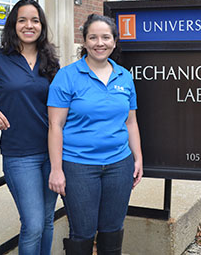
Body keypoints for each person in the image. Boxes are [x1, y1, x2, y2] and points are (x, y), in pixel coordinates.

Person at [0, 0, 60, 254]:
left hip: (53, 153)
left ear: (42, 26)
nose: (29, 25)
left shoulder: (50, 60)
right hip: (20, 155)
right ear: (13, 25)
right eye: (22, 20)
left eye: (35, 20)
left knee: (48, 220)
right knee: (33, 224)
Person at [47, 13, 143, 255]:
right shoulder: (67, 76)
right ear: (85, 41)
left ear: (114, 41)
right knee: (82, 233)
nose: (100, 43)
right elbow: (55, 126)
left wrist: (138, 157)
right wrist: (56, 169)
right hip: (78, 166)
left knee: (113, 230)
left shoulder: (124, 76)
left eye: (106, 37)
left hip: (119, 165)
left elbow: (131, 122)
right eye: (93, 37)